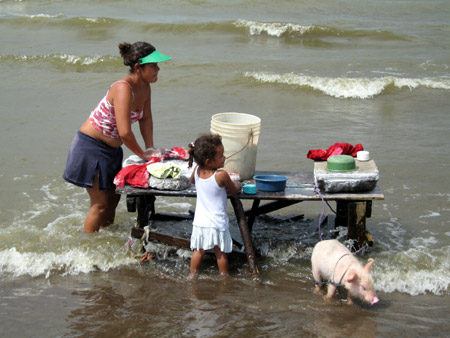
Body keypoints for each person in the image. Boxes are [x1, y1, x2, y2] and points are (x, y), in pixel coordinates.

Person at [63, 41, 171, 233]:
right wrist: (145, 158)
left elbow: (145, 118)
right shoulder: (123, 88)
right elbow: (125, 132)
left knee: (113, 200)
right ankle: (88, 250)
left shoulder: (145, 87)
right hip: (90, 147)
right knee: (100, 205)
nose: (158, 69)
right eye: (154, 65)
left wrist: (150, 147)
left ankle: (105, 240)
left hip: (112, 150)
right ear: (138, 67)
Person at [187, 134, 242, 278]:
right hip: (216, 221)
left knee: (198, 251)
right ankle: (224, 277)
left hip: (200, 221)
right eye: (221, 156)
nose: (225, 158)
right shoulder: (221, 175)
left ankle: (192, 275)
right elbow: (234, 190)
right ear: (208, 161)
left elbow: (192, 180)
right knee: (220, 252)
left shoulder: (197, 170)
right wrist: (238, 183)